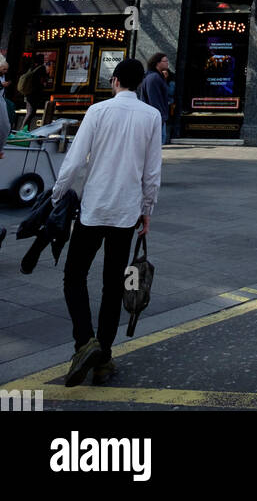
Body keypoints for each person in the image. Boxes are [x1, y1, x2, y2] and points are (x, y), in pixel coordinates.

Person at [50, 57, 161, 387]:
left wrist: (57, 195)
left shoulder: (97, 112)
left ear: (114, 81)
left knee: (74, 276)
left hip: (94, 208)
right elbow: (152, 171)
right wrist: (147, 210)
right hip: (126, 213)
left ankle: (85, 343)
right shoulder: (151, 116)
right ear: (140, 84)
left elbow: (73, 161)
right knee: (114, 285)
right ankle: (104, 358)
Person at [138, 53, 172, 144]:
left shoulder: (157, 77)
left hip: (157, 117)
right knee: (157, 145)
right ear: (158, 63)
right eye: (165, 61)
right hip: (156, 118)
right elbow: (154, 100)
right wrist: (160, 118)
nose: (167, 63)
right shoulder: (154, 78)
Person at [19, 59, 47, 131]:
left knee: (30, 112)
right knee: (31, 112)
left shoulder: (31, 69)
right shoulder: (42, 68)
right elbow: (43, 80)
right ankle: (23, 129)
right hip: (34, 94)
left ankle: (25, 129)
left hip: (28, 94)